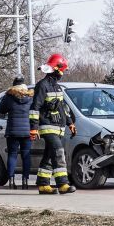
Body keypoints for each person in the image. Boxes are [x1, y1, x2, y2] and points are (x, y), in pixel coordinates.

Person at [29, 54, 77, 194]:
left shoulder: (57, 88)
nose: (62, 74)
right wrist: (33, 128)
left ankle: (43, 185)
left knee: (49, 155)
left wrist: (70, 123)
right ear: (56, 69)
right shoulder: (42, 86)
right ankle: (63, 184)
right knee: (58, 151)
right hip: (47, 126)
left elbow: (63, 108)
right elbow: (35, 108)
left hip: (59, 127)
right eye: (62, 70)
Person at [0, 75, 34, 190]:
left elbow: (0, 109)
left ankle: (11, 181)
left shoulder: (9, 96)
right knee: (26, 156)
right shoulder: (30, 97)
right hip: (27, 131)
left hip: (12, 131)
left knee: (12, 155)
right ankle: (25, 181)